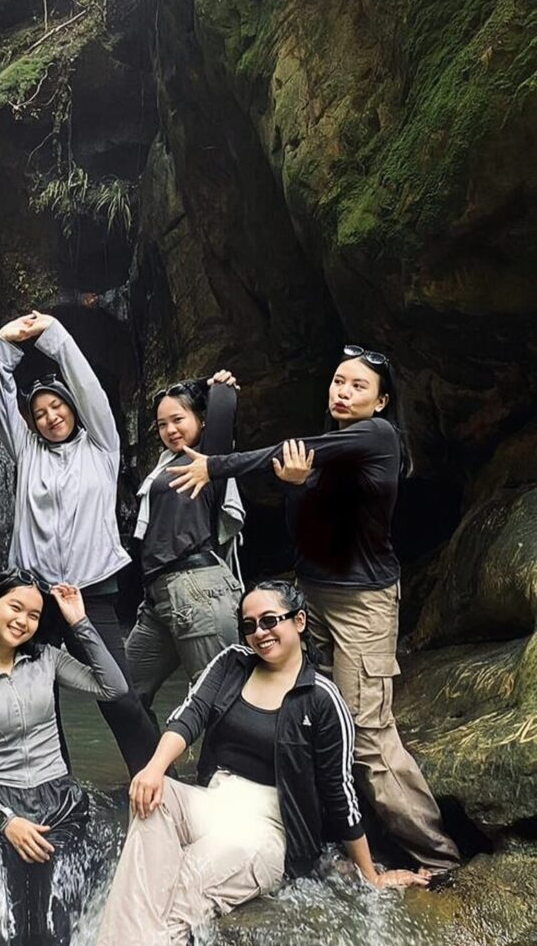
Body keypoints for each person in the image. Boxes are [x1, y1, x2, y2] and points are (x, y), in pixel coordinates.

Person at [168, 345, 461, 871]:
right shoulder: (325, 454)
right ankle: (332, 842)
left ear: (381, 402)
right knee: (304, 717)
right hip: (309, 596)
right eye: (338, 381)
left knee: (366, 735)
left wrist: (215, 465)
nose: (342, 392)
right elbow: (299, 529)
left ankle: (438, 859)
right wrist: (298, 486)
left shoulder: (378, 436)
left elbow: (283, 449)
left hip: (362, 603)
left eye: (357, 386)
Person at [96, 580, 430, 946]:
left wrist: (370, 876)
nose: (259, 632)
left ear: (299, 621)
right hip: (213, 803)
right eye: (249, 625)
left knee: (180, 889)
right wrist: (155, 768)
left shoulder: (322, 699)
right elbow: (190, 715)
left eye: (270, 620)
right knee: (153, 800)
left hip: (266, 832)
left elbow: (340, 792)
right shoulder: (232, 663)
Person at [0, 310, 158, 773]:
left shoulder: (102, 446)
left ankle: (158, 782)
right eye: (40, 413)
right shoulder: (26, 451)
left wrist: (54, 335)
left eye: (57, 407)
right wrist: (4, 345)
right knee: (37, 698)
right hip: (33, 596)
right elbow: (1, 398)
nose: (50, 417)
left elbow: (89, 388)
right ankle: (58, 790)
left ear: (72, 406)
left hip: (92, 591)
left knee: (118, 693)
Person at [0, 569, 129, 946]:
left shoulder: (48, 660)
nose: (22, 621)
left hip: (58, 797)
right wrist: (4, 821)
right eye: (15, 607)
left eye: (34, 615)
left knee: (53, 906)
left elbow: (114, 686)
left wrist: (79, 621)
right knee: (16, 908)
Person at [126, 371, 243, 716]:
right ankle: (155, 755)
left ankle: (227, 759)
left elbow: (224, 397)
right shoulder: (164, 465)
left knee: (219, 699)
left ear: (202, 420)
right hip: (160, 594)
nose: (170, 430)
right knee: (125, 696)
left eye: (178, 419)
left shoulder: (209, 457)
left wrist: (207, 383)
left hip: (199, 588)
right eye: (162, 424)